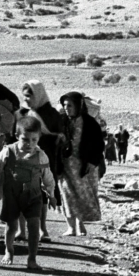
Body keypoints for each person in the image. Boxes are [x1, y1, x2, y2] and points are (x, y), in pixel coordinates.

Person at [0, 116, 56, 270]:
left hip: (34, 196)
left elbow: (48, 176)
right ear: (17, 136)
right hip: (12, 196)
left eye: (34, 140)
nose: (30, 144)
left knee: (34, 225)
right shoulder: (8, 151)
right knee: (11, 226)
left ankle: (32, 259)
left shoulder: (41, 155)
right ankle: (9, 251)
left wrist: (51, 195)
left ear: (39, 138)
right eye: (25, 140)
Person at [18, 80, 63, 243]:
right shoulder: (23, 112)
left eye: (30, 96)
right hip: (24, 158)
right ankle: (21, 231)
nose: (27, 99)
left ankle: (43, 229)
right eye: (25, 96)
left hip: (45, 159)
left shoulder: (51, 114)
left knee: (42, 195)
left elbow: (62, 138)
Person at [58, 92, 103, 236]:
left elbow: (99, 144)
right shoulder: (62, 121)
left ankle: (80, 224)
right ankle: (71, 227)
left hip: (84, 167)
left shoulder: (89, 123)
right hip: (65, 166)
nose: (66, 108)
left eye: (70, 105)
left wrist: (92, 162)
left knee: (82, 195)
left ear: (78, 105)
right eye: (64, 105)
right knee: (67, 195)